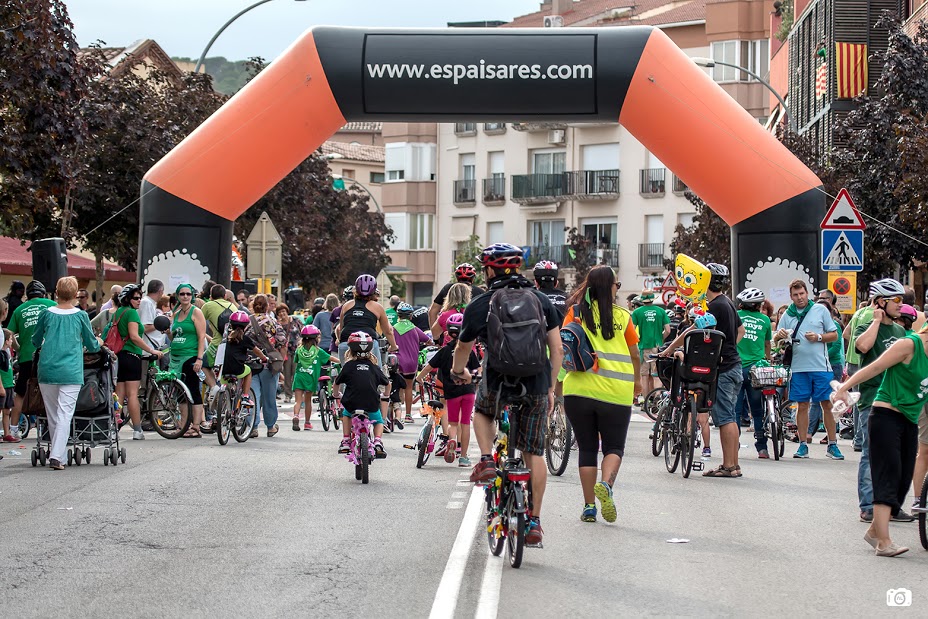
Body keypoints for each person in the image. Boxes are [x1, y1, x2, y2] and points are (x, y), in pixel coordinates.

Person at [451, 243, 562, 547]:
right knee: (534, 454)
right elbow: (558, 349)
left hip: (498, 381)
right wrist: (550, 387)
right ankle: (534, 522)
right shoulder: (541, 300)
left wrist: (458, 370)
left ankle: (487, 459)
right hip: (536, 382)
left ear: (488, 270)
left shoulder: (482, 302)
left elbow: (463, 347)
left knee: (483, 412)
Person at [833, 321, 928, 557]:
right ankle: (883, 542)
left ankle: (876, 529)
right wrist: (844, 388)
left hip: (909, 419)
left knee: (903, 480)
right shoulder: (909, 345)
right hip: (885, 415)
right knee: (888, 474)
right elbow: (874, 368)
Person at [561, 265, 640, 523]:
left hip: (578, 390)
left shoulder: (575, 313)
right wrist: (638, 382)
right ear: (611, 288)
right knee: (613, 447)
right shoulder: (624, 316)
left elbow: (563, 347)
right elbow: (635, 353)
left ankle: (588, 507)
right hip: (616, 393)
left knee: (586, 448)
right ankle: (606, 485)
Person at [664, 263, 745, 476]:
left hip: (725, 370)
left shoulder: (714, 305)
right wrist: (727, 347)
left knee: (724, 418)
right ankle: (733, 465)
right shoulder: (727, 302)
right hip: (735, 365)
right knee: (731, 417)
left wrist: (671, 349)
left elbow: (693, 331)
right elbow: (740, 330)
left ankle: (729, 467)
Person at [852, 278, 909, 523]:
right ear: (880, 302)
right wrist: (875, 320)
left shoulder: (900, 330)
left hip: (898, 400)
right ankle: (868, 506)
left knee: (897, 456)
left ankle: (891, 505)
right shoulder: (867, 325)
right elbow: (862, 347)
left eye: (902, 299)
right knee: (870, 453)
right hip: (871, 399)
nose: (901, 304)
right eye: (896, 300)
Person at [29, 277, 102, 469]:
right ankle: (56, 456)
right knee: (65, 413)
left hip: (47, 369)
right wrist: (100, 343)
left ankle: (58, 456)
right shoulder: (80, 316)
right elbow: (91, 343)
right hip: (71, 370)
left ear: (56, 291)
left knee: (53, 414)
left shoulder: (46, 314)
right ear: (76, 293)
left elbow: (35, 340)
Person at [773, 279, 842, 460]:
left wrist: (818, 337)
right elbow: (777, 342)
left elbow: (834, 334)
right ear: (791, 297)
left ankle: (832, 444)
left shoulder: (820, 310)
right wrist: (779, 336)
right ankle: (803, 444)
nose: (799, 298)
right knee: (802, 405)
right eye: (795, 295)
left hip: (821, 366)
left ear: (807, 293)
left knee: (827, 404)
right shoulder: (788, 314)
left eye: (802, 294)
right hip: (798, 367)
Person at [416, 313, 479, 465]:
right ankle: (463, 457)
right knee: (465, 423)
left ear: (448, 333)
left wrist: (419, 378)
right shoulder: (468, 351)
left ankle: (451, 440)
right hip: (468, 391)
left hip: (451, 392)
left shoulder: (443, 352)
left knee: (453, 422)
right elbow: (478, 369)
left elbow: (428, 367)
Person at [108, 284, 163, 440]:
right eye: (136, 298)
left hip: (118, 357)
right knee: (132, 394)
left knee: (118, 394)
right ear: (127, 299)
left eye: (140, 297)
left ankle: (114, 428)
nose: (139, 300)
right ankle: (137, 430)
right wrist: (151, 350)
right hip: (132, 356)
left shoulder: (118, 312)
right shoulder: (132, 313)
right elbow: (134, 336)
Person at [7, 281, 56, 440]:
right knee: (50, 392)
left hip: (27, 356)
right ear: (43, 293)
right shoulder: (52, 305)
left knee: (20, 392)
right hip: (48, 356)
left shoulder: (20, 309)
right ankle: (52, 429)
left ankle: (13, 429)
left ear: (27, 295)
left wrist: (19, 347)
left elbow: (9, 333)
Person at [335, 331, 389, 457]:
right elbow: (387, 384)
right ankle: (378, 442)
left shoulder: (348, 366)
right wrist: (385, 395)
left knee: (346, 415)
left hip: (352, 402)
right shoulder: (374, 367)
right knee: (379, 420)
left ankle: (346, 440)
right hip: (371, 402)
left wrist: (336, 394)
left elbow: (337, 383)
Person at [734, 288, 773, 458]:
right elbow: (767, 345)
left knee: (735, 410)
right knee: (757, 410)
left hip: (736, 367)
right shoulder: (765, 320)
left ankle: (733, 445)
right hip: (757, 370)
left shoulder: (736, 316)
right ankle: (762, 448)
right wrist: (769, 358)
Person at [168, 283, 208, 438]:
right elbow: (174, 336)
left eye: (188, 294)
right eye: (182, 294)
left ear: (192, 296)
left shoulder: (196, 312)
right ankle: (184, 426)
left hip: (190, 356)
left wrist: (199, 359)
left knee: (193, 390)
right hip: (175, 357)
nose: (185, 297)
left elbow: (201, 336)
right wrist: (168, 332)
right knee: (180, 394)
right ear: (178, 296)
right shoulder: (176, 314)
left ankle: (196, 427)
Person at [245, 294, 287, 438]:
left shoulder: (248, 322)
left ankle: (253, 426)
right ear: (267, 306)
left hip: (250, 363)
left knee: (252, 395)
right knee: (269, 397)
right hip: (269, 364)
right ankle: (270, 426)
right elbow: (282, 342)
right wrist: (280, 361)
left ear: (252, 306)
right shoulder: (273, 322)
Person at [336, 274, 398, 364]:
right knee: (377, 374)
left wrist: (339, 340)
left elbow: (340, 328)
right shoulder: (377, 307)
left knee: (345, 374)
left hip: (347, 344)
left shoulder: (347, 305)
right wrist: (393, 346)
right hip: (369, 345)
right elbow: (388, 331)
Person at [808, 301, 846, 443]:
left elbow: (836, 347)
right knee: (817, 401)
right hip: (819, 365)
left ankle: (827, 434)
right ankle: (810, 432)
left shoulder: (833, 325)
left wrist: (821, 356)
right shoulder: (816, 325)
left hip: (833, 365)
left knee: (828, 401)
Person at [394, 302, 432, 425]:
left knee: (396, 386)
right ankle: (408, 415)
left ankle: (397, 411)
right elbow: (429, 341)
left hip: (397, 362)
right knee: (409, 387)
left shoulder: (393, 328)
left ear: (398, 315)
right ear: (411, 316)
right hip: (411, 363)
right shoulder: (415, 329)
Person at [631, 290, 670, 405]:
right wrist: (660, 339)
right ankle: (658, 396)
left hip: (644, 346)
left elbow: (632, 331)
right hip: (658, 346)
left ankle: (647, 401)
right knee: (656, 373)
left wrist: (639, 340)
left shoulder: (637, 312)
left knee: (644, 374)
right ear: (653, 299)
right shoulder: (661, 311)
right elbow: (668, 330)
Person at [222, 311, 266, 409]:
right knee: (248, 371)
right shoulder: (245, 338)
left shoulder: (226, 337)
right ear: (246, 326)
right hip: (238, 368)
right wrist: (264, 358)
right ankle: (245, 396)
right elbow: (257, 351)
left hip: (224, 368)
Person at [201, 284, 238, 400]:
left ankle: (213, 387)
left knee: (202, 363)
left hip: (217, 344)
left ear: (211, 296)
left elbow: (198, 321)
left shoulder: (208, 306)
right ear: (225, 295)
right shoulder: (233, 307)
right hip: (232, 345)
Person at [291, 325, 330, 431]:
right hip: (310, 377)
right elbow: (330, 358)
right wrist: (341, 361)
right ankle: (307, 423)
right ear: (316, 339)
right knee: (307, 401)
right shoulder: (318, 351)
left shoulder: (299, 350)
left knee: (298, 401)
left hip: (299, 376)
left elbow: (295, 361)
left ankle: (296, 415)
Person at [277, 305, 299, 403]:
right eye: (280, 312)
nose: (282, 314)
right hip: (285, 351)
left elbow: (302, 331)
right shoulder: (278, 324)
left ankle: (298, 393)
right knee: (287, 373)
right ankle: (288, 394)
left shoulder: (295, 320)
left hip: (296, 350)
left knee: (296, 372)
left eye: (283, 311)